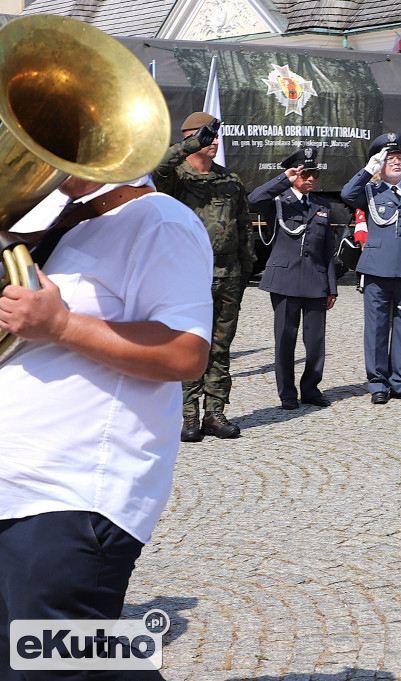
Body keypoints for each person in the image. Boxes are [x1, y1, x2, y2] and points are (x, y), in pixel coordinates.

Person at [0, 174, 213, 681]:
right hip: (19, 488)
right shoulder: (68, 223)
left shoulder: (161, 219)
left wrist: (61, 325)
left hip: (72, 494)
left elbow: (187, 351)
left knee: (54, 665)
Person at [152, 111, 255, 442]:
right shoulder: (176, 179)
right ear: (189, 138)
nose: (214, 141)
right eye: (206, 135)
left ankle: (215, 412)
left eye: (215, 135)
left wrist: (245, 269)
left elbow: (243, 229)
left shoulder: (230, 180)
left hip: (227, 274)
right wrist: (194, 142)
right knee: (189, 343)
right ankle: (188, 416)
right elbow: (157, 167)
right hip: (188, 274)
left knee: (220, 347)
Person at [340, 133, 401, 404]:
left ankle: (399, 380)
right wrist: (370, 169)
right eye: (389, 158)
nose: (396, 162)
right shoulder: (370, 190)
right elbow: (347, 194)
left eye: (398, 157)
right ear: (379, 163)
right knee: (377, 327)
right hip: (377, 269)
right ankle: (377, 382)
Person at [248, 148, 338, 409]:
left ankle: (310, 388)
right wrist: (284, 179)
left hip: (315, 282)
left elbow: (327, 251)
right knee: (285, 340)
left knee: (315, 342)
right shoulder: (279, 201)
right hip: (284, 281)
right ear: (295, 174)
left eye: (314, 174)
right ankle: (287, 393)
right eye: (305, 173)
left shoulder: (322, 206)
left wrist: (332, 287)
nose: (310, 178)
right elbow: (254, 199)